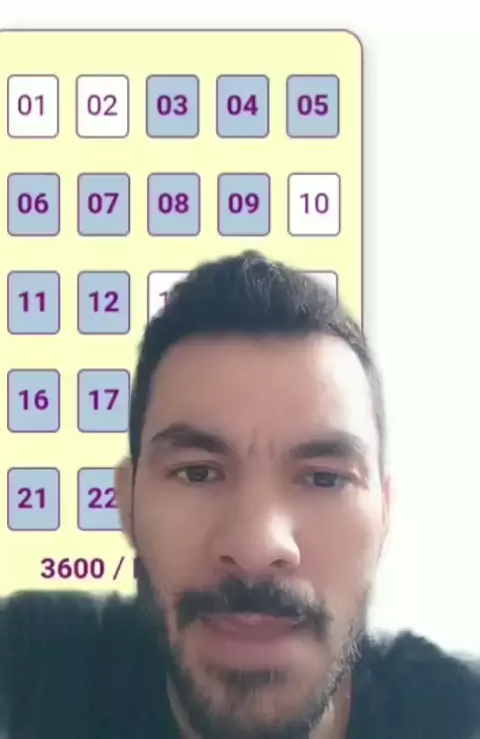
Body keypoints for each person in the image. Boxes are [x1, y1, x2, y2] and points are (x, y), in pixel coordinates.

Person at [0, 251, 479, 739]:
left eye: (324, 478)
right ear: (127, 504)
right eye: (198, 473)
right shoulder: (28, 675)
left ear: (384, 517)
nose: (257, 547)